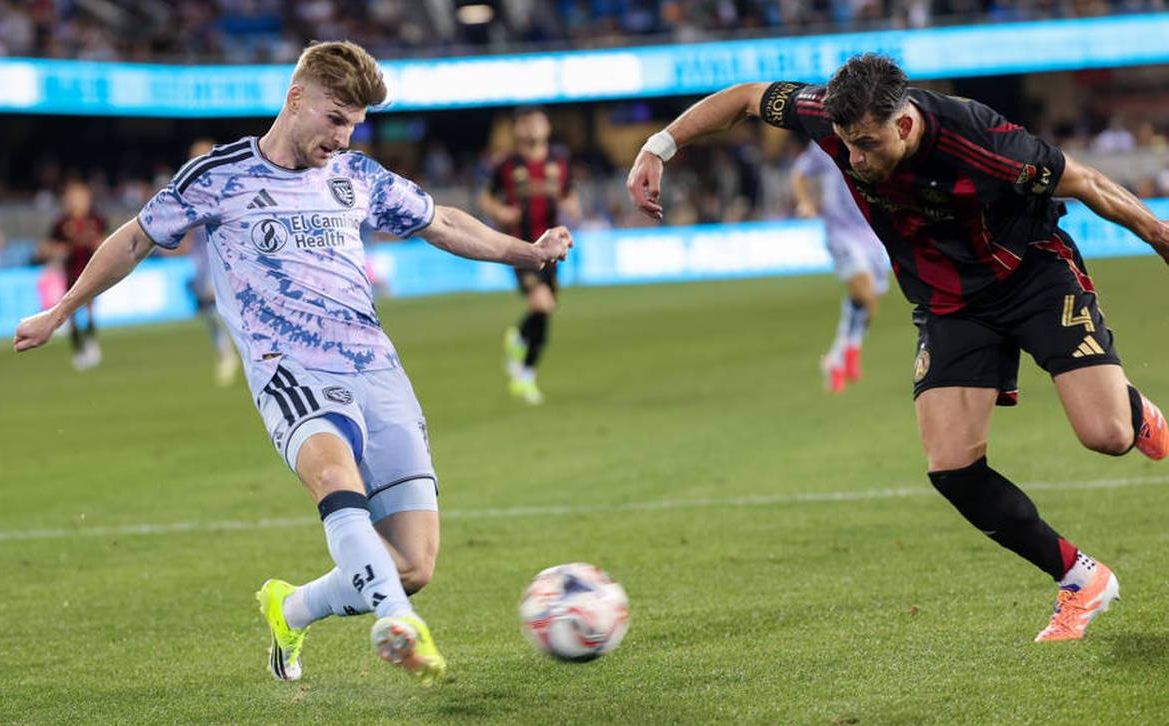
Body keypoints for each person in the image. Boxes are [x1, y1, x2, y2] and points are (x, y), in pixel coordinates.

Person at [15, 41, 572, 685]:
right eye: (335, 119)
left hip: (377, 368)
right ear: (296, 97)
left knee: (413, 565)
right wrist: (62, 311)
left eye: (354, 125)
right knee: (335, 477)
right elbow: (137, 237)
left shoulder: (357, 176)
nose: (343, 138)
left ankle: (292, 607)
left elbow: (440, 221)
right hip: (290, 369)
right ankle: (398, 624)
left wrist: (528, 253)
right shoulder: (220, 176)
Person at [627, 53, 1169, 643]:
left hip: (1031, 275)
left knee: (1107, 436)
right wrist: (658, 147)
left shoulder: (982, 139)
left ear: (905, 124)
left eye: (866, 144)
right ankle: (1079, 579)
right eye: (846, 145)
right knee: (951, 467)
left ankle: (1131, 409)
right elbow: (744, 98)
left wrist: (1159, 235)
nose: (855, 160)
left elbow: (1087, 182)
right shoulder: (827, 113)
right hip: (950, 304)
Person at [480, 106, 580, 405]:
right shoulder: (507, 164)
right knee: (542, 303)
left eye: (537, 122)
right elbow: (486, 197)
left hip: (554, 247)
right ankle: (525, 374)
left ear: (547, 126)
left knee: (545, 310)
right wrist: (500, 211)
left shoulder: (559, 162)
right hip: (520, 246)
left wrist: (572, 206)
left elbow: (569, 193)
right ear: (517, 130)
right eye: (526, 123)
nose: (532, 127)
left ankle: (521, 347)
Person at [790, 141, 891, 392]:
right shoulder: (825, 144)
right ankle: (850, 351)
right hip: (840, 230)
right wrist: (805, 202)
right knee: (864, 291)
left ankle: (838, 357)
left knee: (870, 303)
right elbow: (799, 173)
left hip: (872, 232)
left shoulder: (877, 141)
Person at [180, 138, 241, 386]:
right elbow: (188, 235)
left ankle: (232, 354)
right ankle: (225, 352)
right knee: (211, 312)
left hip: (222, 261)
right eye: (195, 156)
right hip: (201, 263)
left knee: (223, 311)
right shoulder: (189, 192)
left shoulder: (227, 189)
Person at [46, 181, 107, 370]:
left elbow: (107, 240)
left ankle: (90, 343)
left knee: (90, 310)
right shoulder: (62, 222)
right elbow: (49, 245)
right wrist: (59, 250)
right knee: (70, 314)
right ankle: (78, 350)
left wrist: (99, 245)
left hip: (92, 272)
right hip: (71, 273)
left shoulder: (96, 218)